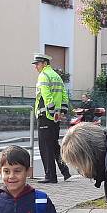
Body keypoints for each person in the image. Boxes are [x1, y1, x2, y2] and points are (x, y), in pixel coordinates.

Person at [32, 53, 71, 183]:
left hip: (46, 116)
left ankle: (50, 176)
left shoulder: (43, 76)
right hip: (56, 117)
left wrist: (52, 110)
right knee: (54, 145)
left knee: (45, 147)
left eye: (37, 64)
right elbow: (64, 95)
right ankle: (65, 171)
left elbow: (46, 95)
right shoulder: (57, 76)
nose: (35, 67)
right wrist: (62, 111)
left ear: (44, 63)